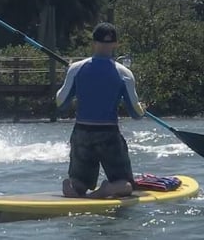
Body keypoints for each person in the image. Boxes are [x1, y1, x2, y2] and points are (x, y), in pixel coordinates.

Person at [56, 22, 145, 199]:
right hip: (108, 134)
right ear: (116, 44)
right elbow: (136, 113)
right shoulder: (124, 73)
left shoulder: (76, 69)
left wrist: (70, 74)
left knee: (80, 182)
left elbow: (60, 102)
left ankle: (72, 185)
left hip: (81, 132)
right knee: (126, 185)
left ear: (93, 43)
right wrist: (143, 108)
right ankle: (108, 189)